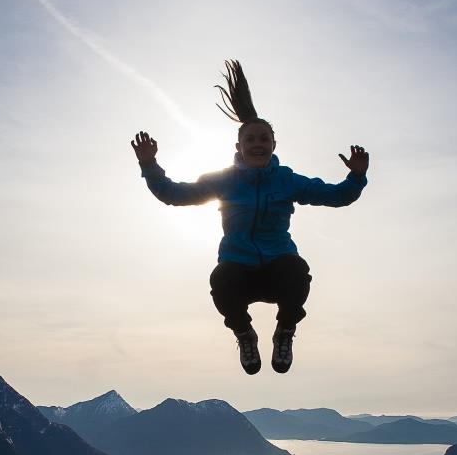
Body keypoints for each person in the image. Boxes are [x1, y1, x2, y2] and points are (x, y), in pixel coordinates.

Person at [131, 60, 369, 375]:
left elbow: (337, 196)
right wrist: (150, 165)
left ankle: (285, 332)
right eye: (251, 140)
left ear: (273, 145)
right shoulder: (223, 181)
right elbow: (174, 194)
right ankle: (245, 335)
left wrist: (356, 177)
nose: (257, 144)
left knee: (297, 270)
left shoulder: (287, 180)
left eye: (263, 139)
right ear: (239, 146)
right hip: (239, 269)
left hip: (277, 269)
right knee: (220, 280)